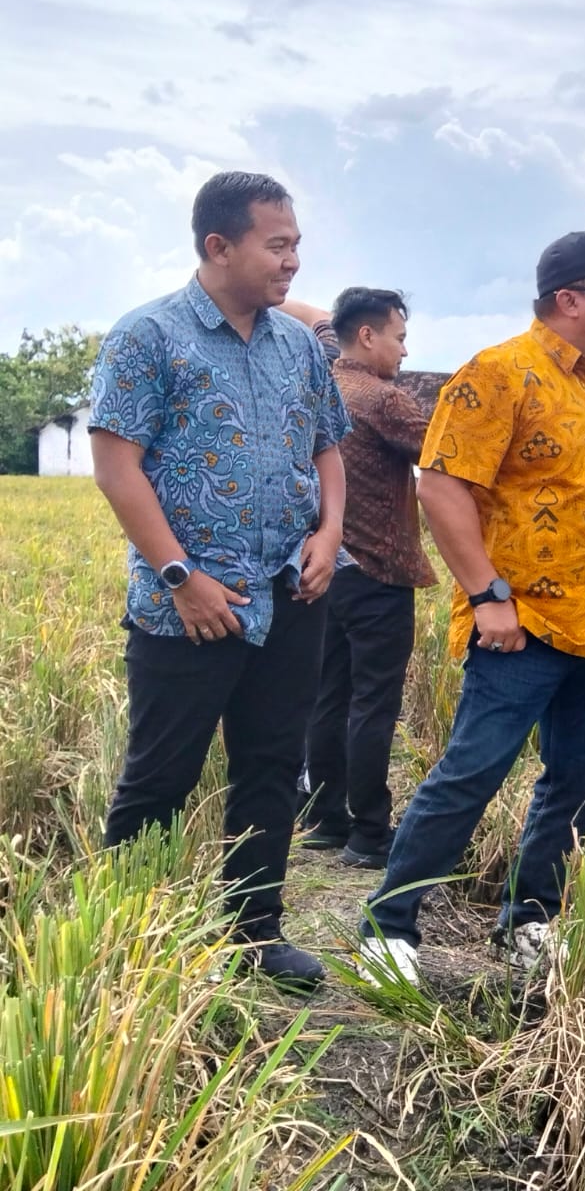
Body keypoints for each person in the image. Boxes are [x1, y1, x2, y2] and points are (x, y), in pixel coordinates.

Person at [356, 231, 585, 986]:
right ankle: (388, 925)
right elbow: (442, 484)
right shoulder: (497, 374)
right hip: (520, 627)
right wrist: (490, 595)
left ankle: (530, 918)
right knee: (472, 773)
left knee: (579, 781)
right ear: (569, 299)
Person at [88, 171, 349, 990]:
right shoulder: (149, 336)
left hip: (289, 593)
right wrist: (179, 576)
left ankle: (255, 931)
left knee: (272, 765)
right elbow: (117, 467)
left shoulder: (297, 345)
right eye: (279, 245)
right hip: (190, 609)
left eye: (297, 244)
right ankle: (126, 943)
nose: (293, 262)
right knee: (160, 775)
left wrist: (330, 532)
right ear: (218, 246)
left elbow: (327, 447)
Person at [296, 288, 437, 868]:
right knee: (373, 706)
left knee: (327, 698)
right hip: (379, 573)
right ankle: (370, 833)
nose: (406, 351)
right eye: (400, 337)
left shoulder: (323, 383)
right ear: (369, 336)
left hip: (325, 569)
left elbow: (313, 318)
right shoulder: (383, 400)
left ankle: (326, 820)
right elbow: (450, 448)